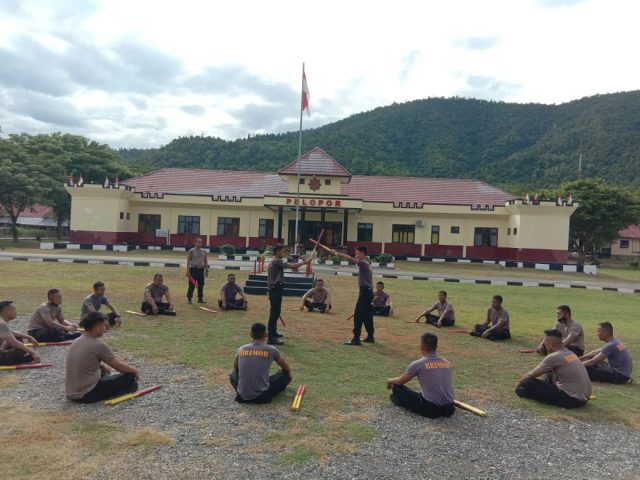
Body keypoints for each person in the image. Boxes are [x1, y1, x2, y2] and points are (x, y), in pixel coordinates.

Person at [66, 312, 140, 403]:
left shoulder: (77, 340)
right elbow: (118, 366)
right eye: (103, 326)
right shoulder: (98, 345)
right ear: (96, 327)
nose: (105, 329)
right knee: (130, 376)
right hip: (87, 394)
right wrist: (134, 371)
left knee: (103, 369)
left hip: (71, 392)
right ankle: (121, 390)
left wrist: (102, 366)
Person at [515, 329, 591, 409]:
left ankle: (528, 394)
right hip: (584, 399)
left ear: (550, 344)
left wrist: (518, 383)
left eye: (545, 343)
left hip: (571, 400)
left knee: (527, 381)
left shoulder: (554, 356)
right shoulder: (569, 353)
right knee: (549, 375)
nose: (544, 346)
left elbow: (531, 375)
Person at [387, 332, 455, 418]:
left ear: (421, 346)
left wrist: (389, 381)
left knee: (397, 388)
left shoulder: (418, 364)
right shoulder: (447, 363)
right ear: (436, 346)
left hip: (431, 409)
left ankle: (400, 402)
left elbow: (400, 381)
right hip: (450, 408)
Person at [229, 322, 292, 403]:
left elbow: (235, 367)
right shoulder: (271, 349)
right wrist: (288, 374)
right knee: (284, 373)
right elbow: (285, 367)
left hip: (241, 396)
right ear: (266, 335)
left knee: (233, 374)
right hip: (262, 396)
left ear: (250, 334)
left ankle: (244, 388)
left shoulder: (241, 349)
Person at [329, 246, 374, 345]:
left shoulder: (363, 263)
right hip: (368, 291)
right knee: (367, 315)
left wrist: (337, 253)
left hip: (365, 292)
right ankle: (370, 336)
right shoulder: (367, 264)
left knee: (358, 315)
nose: (356, 255)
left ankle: (356, 339)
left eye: (357, 253)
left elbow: (350, 259)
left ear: (362, 254)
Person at [267, 244, 307, 345]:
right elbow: (292, 266)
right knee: (274, 313)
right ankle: (271, 338)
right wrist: (304, 262)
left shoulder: (273, 261)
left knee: (276, 312)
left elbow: (269, 277)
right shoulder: (277, 261)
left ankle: (273, 332)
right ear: (277, 252)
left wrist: (268, 290)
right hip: (275, 288)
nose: (283, 253)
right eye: (282, 251)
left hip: (274, 288)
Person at [0, 300, 41, 365]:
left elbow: (11, 333)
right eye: (13, 309)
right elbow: (15, 343)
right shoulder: (2, 324)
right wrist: (32, 352)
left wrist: (29, 337)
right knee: (22, 350)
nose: (16, 311)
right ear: (6, 311)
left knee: (18, 338)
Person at [186, 237, 209, 304]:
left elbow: (205, 261)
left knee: (201, 284)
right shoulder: (191, 251)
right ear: (195, 243)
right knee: (192, 284)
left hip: (201, 269)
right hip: (193, 269)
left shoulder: (204, 251)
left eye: (201, 242)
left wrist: (206, 270)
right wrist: (188, 271)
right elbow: (188, 261)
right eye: (198, 242)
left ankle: (200, 298)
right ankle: (189, 298)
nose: (200, 244)